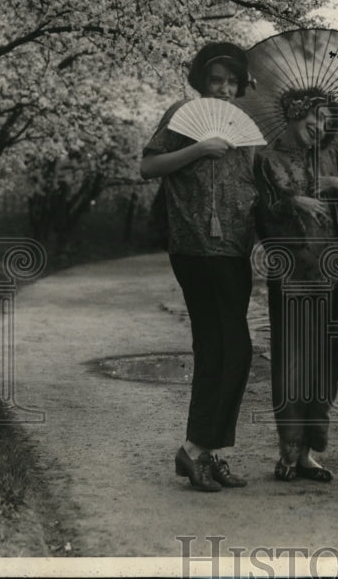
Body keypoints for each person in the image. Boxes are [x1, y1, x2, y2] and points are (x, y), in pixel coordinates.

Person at [140, 42, 258, 492]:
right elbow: (148, 166)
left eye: (232, 81)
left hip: (235, 250)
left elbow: (252, 187)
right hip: (194, 248)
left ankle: (211, 454)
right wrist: (198, 149)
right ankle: (194, 450)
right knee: (231, 348)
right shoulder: (182, 114)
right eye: (216, 80)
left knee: (220, 351)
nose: (225, 89)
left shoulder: (244, 131)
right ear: (201, 82)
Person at [254, 87, 338, 482]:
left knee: (327, 360)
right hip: (292, 272)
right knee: (294, 361)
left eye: (327, 120)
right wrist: (291, 202)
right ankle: (288, 451)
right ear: (295, 113)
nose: (320, 125)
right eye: (315, 117)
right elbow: (258, 214)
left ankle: (309, 453)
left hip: (334, 271)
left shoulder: (328, 158)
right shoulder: (265, 160)